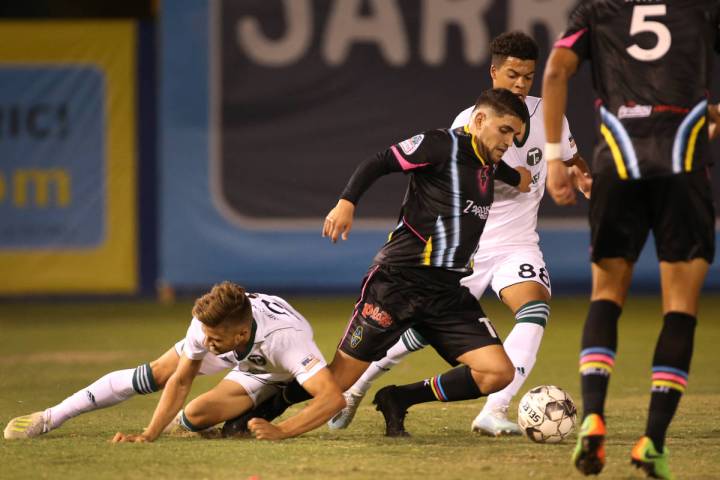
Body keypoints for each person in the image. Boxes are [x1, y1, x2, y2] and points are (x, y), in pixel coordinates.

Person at [221, 88, 532, 439]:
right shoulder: (441, 145)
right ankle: (267, 410)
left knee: (498, 373)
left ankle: (398, 398)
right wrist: (346, 202)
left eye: (515, 135)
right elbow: (380, 161)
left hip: (446, 293)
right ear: (479, 120)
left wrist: (524, 177)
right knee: (337, 383)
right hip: (396, 284)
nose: (509, 140)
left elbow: (512, 174)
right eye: (506, 130)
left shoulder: (488, 162)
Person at [326, 31, 592, 437]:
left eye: (529, 77)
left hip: (518, 243)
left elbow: (570, 157)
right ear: (493, 72)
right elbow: (435, 182)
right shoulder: (469, 123)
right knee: (413, 330)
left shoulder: (548, 118)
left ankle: (494, 409)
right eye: (513, 74)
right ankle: (357, 388)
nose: (521, 84)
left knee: (535, 309)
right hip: (460, 250)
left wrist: (581, 175)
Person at [543, 2, 719, 478]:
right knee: (679, 307)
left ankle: (594, 415)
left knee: (606, 296)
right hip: (684, 168)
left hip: (617, 166)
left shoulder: (598, 10)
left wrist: (556, 158)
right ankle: (652, 442)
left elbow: (557, 70)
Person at [3, 282, 345, 442]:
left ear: (240, 334)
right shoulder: (208, 327)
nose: (205, 343)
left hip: (274, 370)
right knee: (165, 382)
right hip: (246, 356)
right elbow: (181, 380)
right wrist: (149, 434)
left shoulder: (285, 339)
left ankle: (279, 399)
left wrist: (281, 432)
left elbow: (332, 397)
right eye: (205, 334)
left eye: (214, 339)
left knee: (303, 387)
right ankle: (50, 417)